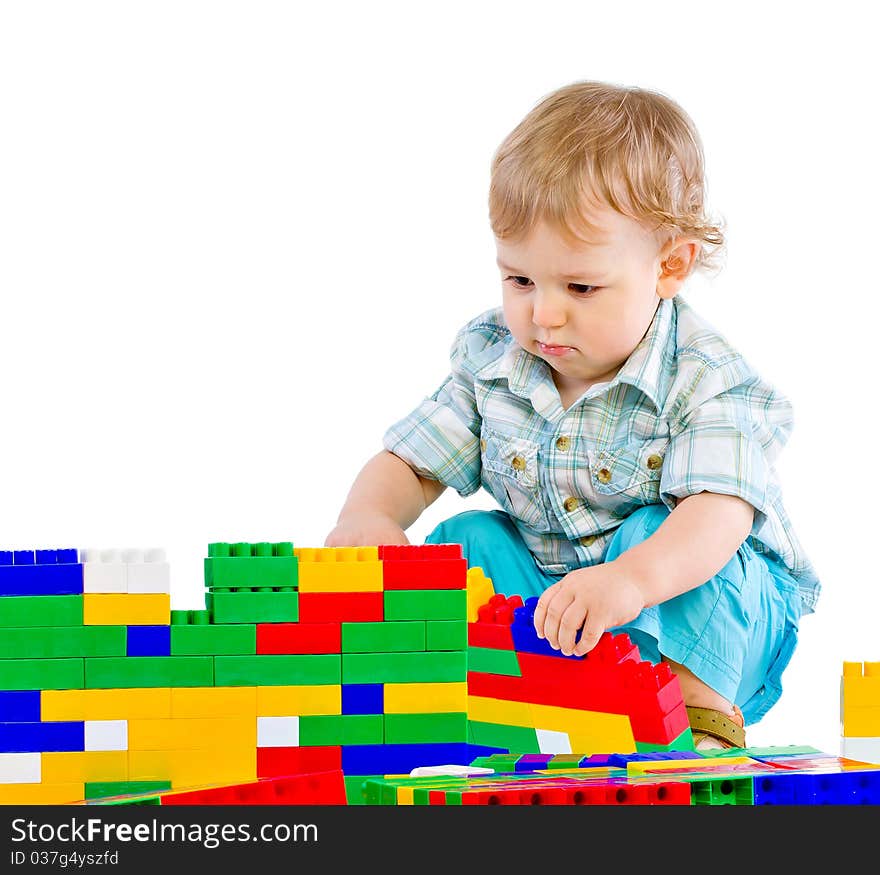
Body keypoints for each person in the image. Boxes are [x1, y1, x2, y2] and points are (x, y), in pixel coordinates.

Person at [324, 80, 819, 750]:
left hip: (711, 614)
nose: (543, 313)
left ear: (670, 265)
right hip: (563, 609)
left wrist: (631, 578)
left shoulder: (705, 378)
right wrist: (369, 517)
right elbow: (409, 464)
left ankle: (696, 722)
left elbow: (718, 515)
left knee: (658, 527)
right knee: (466, 536)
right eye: (520, 280)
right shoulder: (495, 359)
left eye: (580, 287)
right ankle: (479, 703)